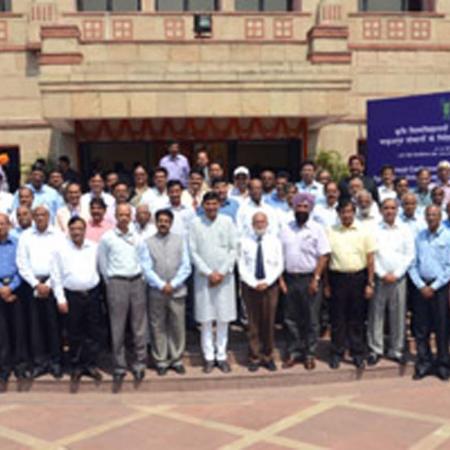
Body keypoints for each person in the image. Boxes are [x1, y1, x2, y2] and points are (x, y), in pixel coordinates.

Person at [279, 193, 330, 370]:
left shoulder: (317, 229)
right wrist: (281, 280)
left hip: (310, 279)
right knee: (290, 318)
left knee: (311, 319)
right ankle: (293, 352)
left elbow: (324, 255)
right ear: (293, 208)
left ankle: (309, 354)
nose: (301, 210)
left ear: (310, 209)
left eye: (305, 207)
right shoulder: (285, 229)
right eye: (298, 207)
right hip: (290, 279)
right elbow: (278, 255)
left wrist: (316, 278)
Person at [98, 204, 148, 384]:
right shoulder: (107, 238)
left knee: (139, 325)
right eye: (121, 214)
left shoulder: (137, 237)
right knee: (117, 325)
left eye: (127, 214)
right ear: (116, 216)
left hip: (136, 281)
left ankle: (140, 362)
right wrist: (110, 281)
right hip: (116, 282)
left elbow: (144, 259)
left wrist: (141, 277)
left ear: (131, 216)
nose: (124, 218)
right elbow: (103, 263)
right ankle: (119, 365)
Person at [189, 192, 238, 374]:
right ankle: (209, 357)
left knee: (223, 318)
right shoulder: (195, 223)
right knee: (206, 319)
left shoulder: (227, 222)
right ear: (203, 206)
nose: (211, 207)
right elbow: (193, 252)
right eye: (208, 204)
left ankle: (221, 355)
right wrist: (209, 273)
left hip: (224, 279)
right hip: (204, 278)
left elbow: (234, 248)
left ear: (219, 205)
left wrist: (221, 273)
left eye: (214, 204)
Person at [139, 209, 191, 376]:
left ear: (171, 223)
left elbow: (186, 266)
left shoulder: (180, 240)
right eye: (160, 221)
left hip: (177, 290)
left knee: (177, 325)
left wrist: (173, 284)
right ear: (156, 222)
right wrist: (161, 285)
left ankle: (176, 359)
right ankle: (160, 359)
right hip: (156, 291)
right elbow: (146, 268)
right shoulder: (147, 242)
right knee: (158, 326)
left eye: (166, 221)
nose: (163, 224)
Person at [325, 199, 376, 370]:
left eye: (349, 211)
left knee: (357, 318)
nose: (346, 215)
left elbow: (370, 259)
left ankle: (357, 352)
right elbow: (326, 259)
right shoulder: (330, 231)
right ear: (338, 214)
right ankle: (336, 352)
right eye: (343, 212)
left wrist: (370, 283)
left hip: (358, 278)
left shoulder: (364, 231)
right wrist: (326, 284)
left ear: (354, 213)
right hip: (337, 278)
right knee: (337, 318)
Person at [50, 216, 102, 382]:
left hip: (92, 294)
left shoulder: (94, 247)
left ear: (85, 230)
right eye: (73, 229)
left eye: (80, 228)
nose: (76, 232)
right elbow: (55, 276)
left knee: (93, 332)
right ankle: (76, 366)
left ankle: (90, 365)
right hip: (72, 296)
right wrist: (60, 299)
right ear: (69, 230)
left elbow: (100, 268)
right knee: (74, 333)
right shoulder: (60, 250)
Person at [16, 205, 64, 378]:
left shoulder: (58, 235)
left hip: (53, 283)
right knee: (35, 326)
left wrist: (49, 284)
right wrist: (36, 284)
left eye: (43, 214)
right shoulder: (26, 236)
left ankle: (56, 361)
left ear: (49, 216)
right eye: (36, 215)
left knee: (54, 324)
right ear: (32, 217)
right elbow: (22, 263)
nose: (40, 217)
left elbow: (62, 261)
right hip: (32, 285)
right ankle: (39, 362)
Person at [367, 199, 414, 366]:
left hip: (399, 278)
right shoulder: (374, 229)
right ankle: (375, 349)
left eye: (393, 208)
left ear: (397, 210)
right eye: (386, 208)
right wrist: (381, 273)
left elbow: (409, 255)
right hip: (379, 278)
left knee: (398, 315)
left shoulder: (405, 229)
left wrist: (397, 273)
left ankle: (396, 349)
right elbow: (371, 254)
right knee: (376, 314)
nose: (389, 211)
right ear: (380, 210)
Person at [408, 205, 450, 381]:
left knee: (442, 327)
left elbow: (449, 267)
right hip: (421, 288)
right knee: (421, 328)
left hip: (440, 288)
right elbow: (412, 264)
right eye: (428, 215)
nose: (431, 217)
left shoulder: (447, 236)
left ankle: (443, 364)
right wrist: (420, 285)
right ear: (424, 217)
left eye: (434, 215)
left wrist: (434, 286)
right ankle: (424, 363)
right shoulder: (419, 237)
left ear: (440, 217)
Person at [239, 212, 283, 372]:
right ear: (252, 224)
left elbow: (279, 264)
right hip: (250, 287)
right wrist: (253, 283)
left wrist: (267, 282)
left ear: (267, 223)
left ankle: (268, 356)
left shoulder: (274, 241)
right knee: (252, 322)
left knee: (269, 322)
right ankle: (254, 357)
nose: (260, 224)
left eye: (262, 221)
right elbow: (241, 265)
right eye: (257, 222)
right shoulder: (244, 241)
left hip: (270, 286)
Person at [0, 214, 29, 381]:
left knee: (19, 329)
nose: (0, 227)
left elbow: (22, 267)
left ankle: (20, 366)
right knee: (2, 331)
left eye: (2, 224)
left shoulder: (18, 243)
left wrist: (10, 288)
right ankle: (4, 367)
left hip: (16, 290)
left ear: (9, 225)